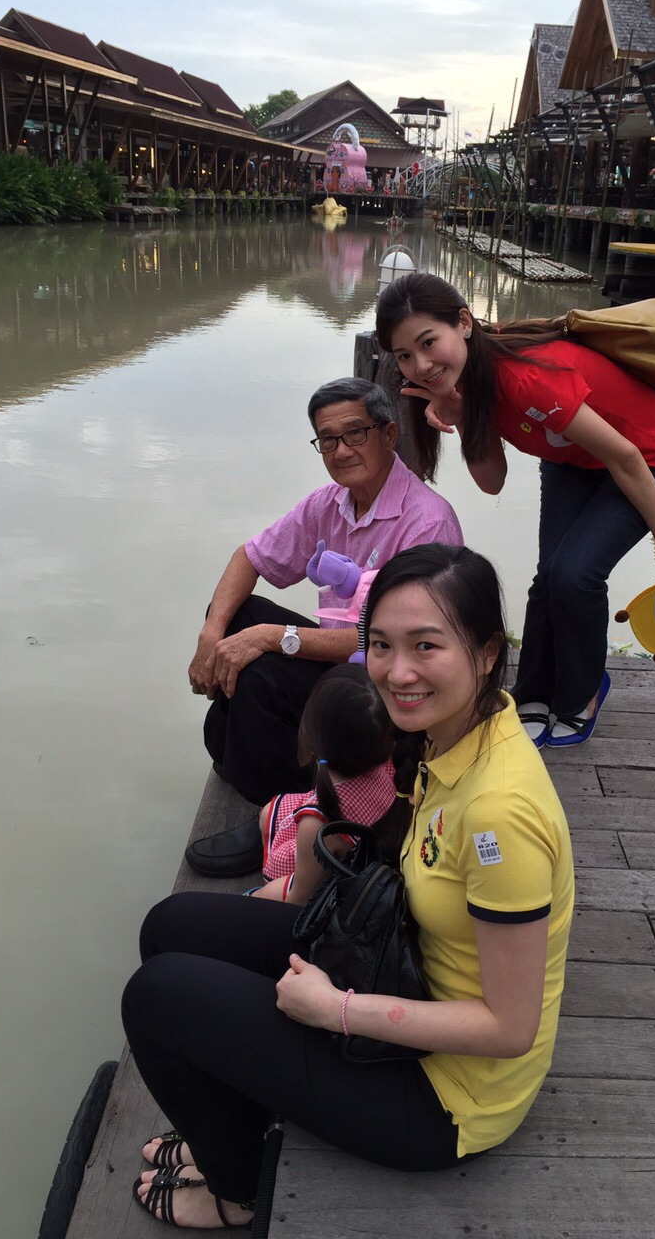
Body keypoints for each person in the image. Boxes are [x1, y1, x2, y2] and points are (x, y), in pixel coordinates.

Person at [122, 544, 574, 1229]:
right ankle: (231, 1121)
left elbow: (510, 1029)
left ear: (485, 653)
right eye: (382, 645)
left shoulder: (498, 815)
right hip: (406, 969)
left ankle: (236, 1190)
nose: (398, 672)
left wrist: (334, 1009)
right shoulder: (456, 734)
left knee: (156, 999)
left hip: (445, 1097)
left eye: (427, 646)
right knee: (172, 927)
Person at [375, 272, 655, 748]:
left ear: (463, 322)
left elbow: (626, 457)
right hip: (573, 460)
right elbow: (493, 482)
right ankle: (535, 693)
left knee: (574, 575)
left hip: (649, 459)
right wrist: (461, 418)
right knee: (549, 577)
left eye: (428, 343)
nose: (420, 365)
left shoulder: (526, 378)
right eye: (404, 355)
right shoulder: (466, 378)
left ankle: (583, 691)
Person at [185, 376, 462, 877]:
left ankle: (280, 810)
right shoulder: (327, 503)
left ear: (388, 434)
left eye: (355, 433)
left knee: (264, 666)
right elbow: (249, 557)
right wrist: (213, 635)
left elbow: (393, 644)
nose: (341, 450)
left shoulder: (426, 522)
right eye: (327, 439)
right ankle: (249, 760)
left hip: (395, 687)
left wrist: (275, 638)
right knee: (233, 616)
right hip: (349, 666)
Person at [192, 663, 399, 893]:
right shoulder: (388, 758)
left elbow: (298, 898)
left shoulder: (318, 825)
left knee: (257, 895)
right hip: (359, 831)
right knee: (269, 811)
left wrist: (255, 897)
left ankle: (262, 880)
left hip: (319, 874)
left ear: (312, 738)